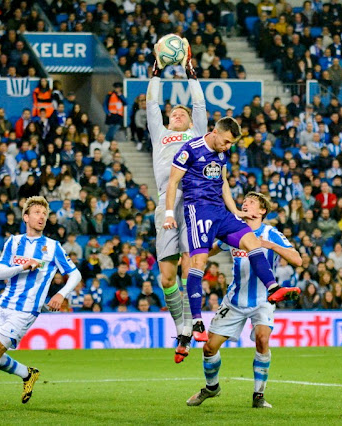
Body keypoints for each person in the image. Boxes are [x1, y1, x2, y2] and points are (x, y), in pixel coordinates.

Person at [164, 117, 300, 342]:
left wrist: (235, 211)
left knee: (252, 241)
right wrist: (169, 214)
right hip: (199, 211)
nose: (227, 147)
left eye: (231, 144)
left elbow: (224, 182)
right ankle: (197, 322)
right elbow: (172, 182)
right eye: (226, 142)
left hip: (221, 211)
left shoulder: (223, 153)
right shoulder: (190, 150)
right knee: (198, 263)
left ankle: (273, 288)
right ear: (215, 132)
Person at [0, 196, 82, 411]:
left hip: (26, 311)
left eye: (45, 214)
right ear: (26, 217)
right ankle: (27, 374)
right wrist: (23, 267)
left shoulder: (52, 247)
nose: (42, 217)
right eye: (37, 213)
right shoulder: (13, 242)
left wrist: (62, 294)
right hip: (4, 306)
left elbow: (75, 275)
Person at [186, 185, 302, 409]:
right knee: (209, 348)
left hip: (263, 300)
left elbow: (297, 260)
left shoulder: (270, 233)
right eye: (244, 201)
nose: (245, 204)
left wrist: (269, 246)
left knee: (262, 339)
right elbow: (212, 249)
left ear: (260, 212)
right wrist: (194, 252)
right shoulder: (232, 230)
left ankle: (258, 396)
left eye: (251, 202)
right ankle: (212, 388)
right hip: (235, 300)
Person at [147, 40, 208, 363]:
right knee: (166, 277)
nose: (179, 113)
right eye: (175, 112)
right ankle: (181, 324)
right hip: (164, 204)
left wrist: (190, 73)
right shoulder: (160, 134)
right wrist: (156, 73)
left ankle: (192, 319)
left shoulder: (197, 133)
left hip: (194, 203)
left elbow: (199, 106)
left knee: (189, 266)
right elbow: (150, 104)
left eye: (182, 111)